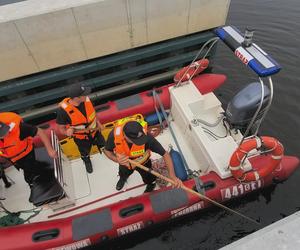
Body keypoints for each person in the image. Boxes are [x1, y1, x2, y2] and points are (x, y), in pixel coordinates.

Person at [104, 120, 182, 193]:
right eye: (136, 141)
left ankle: (150, 184)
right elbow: (107, 151)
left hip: (144, 163)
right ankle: (122, 179)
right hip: (125, 164)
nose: (141, 142)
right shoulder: (113, 136)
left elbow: (165, 154)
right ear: (125, 136)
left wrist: (172, 176)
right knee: (123, 174)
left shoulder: (147, 138)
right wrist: (117, 159)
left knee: (149, 178)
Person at [56, 83, 105, 173]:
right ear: (76, 98)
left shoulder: (86, 100)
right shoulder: (62, 111)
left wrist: (99, 123)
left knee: (103, 144)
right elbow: (61, 129)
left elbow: (93, 114)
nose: (86, 95)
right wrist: (67, 133)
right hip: (82, 138)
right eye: (84, 94)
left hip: (95, 132)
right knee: (85, 152)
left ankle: (104, 151)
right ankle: (87, 161)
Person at [0, 112, 57, 187]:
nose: (7, 132)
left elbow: (40, 132)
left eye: (5, 129)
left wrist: (50, 150)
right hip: (15, 159)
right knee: (29, 175)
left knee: (32, 178)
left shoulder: (20, 128)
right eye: (2, 134)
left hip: (28, 154)